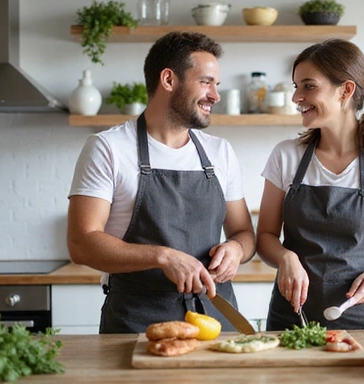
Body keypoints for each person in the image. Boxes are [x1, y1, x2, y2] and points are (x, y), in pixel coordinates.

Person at [67, 31, 256, 334]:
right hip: (136, 324)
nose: (215, 95)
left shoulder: (220, 152)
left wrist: (235, 250)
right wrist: (163, 256)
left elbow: (245, 233)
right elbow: (81, 244)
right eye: (206, 82)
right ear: (168, 80)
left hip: (214, 322)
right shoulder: (108, 148)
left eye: (216, 85)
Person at [257, 39, 364, 331]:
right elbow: (265, 236)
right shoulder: (286, 155)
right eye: (296, 86)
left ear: (346, 91)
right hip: (294, 317)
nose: (296, 96)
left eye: (308, 86)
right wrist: (286, 257)